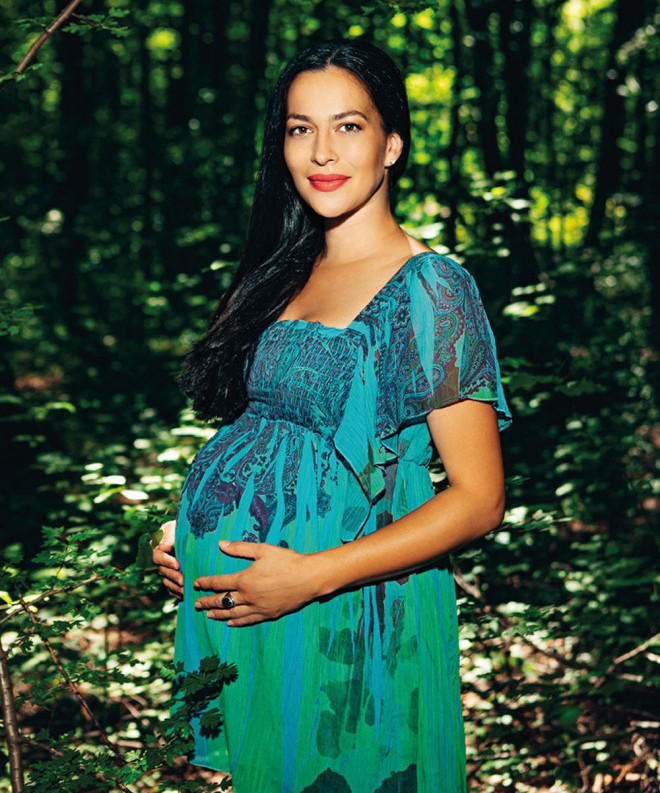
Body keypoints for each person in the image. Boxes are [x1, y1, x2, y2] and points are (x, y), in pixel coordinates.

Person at [153, 38, 512, 793]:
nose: (321, 150)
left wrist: (312, 576)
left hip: (351, 618)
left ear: (392, 145)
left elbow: (479, 500)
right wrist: (189, 530)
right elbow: (267, 436)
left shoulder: (431, 288)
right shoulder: (285, 271)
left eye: (348, 125)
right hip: (261, 613)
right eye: (300, 128)